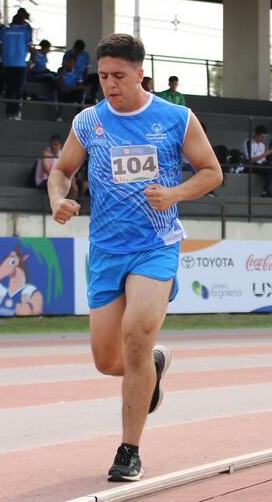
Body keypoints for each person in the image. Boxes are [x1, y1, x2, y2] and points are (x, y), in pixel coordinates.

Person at [47, 33, 222, 482]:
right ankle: (154, 366)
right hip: (106, 249)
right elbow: (62, 170)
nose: (109, 84)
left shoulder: (176, 118)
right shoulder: (88, 122)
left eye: (118, 76)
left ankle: (129, 450)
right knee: (109, 361)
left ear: (140, 73)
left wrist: (176, 193)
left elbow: (211, 171)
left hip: (155, 246)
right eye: (103, 76)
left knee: (136, 337)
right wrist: (57, 199)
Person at [1, 15, 32, 118]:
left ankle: (8, 113)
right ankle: (17, 113)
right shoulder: (25, 31)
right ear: (21, 21)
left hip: (7, 64)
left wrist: (4, 57)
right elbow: (29, 46)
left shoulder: (5, 31)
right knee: (18, 89)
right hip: (20, 64)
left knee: (9, 88)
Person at [241, 125, 272, 198]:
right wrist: (265, 154)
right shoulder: (248, 143)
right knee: (271, 170)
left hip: (260, 165)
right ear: (256, 135)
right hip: (250, 166)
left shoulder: (262, 145)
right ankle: (265, 191)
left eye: (265, 137)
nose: (263, 139)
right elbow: (250, 160)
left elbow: (263, 161)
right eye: (261, 136)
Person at [56, 54, 85, 120]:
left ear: (74, 63)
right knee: (59, 92)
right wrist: (62, 73)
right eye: (68, 62)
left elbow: (81, 85)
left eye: (71, 62)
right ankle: (58, 116)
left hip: (72, 91)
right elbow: (58, 84)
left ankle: (79, 115)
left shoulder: (78, 72)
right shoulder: (60, 70)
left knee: (80, 92)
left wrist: (70, 88)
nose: (69, 64)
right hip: (63, 91)